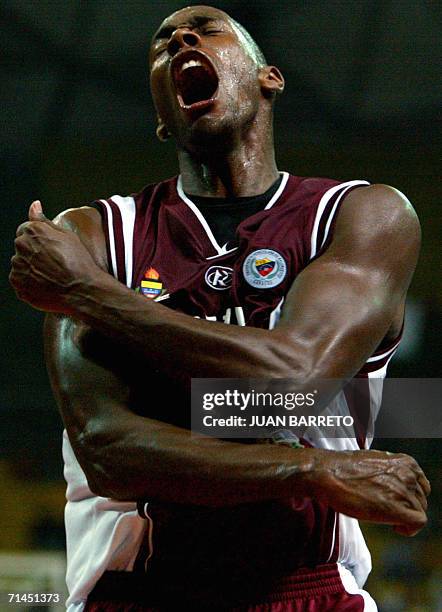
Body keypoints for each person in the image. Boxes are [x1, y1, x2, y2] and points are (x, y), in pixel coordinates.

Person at [10, 5, 430, 612]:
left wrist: (90, 296)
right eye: (162, 42)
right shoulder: (96, 233)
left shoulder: (365, 215)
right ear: (161, 119)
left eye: (206, 28)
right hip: (138, 590)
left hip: (307, 587)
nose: (181, 38)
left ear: (270, 79)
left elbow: (297, 379)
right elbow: (109, 449)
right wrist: (308, 469)